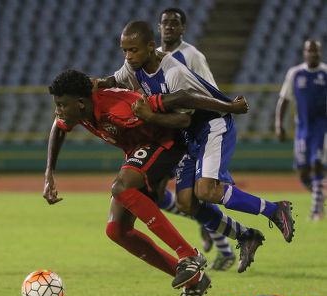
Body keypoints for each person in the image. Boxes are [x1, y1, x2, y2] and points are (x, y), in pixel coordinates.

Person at [96, 20, 296, 271]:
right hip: (190, 135)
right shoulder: (133, 66)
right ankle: (246, 236)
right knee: (186, 203)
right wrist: (99, 83)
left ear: (150, 47)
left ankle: (275, 209)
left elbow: (186, 114)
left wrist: (229, 107)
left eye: (133, 50)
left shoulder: (173, 71)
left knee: (206, 191)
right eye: (124, 50)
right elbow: (116, 78)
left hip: (211, 125)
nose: (128, 55)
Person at [44, 69, 249, 296]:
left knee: (121, 186)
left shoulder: (121, 108)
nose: (58, 111)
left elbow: (181, 114)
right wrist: (49, 173)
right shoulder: (80, 107)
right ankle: (194, 280)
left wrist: (228, 106)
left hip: (169, 144)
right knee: (117, 230)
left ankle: (189, 255)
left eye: (61, 105)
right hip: (140, 152)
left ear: (79, 103)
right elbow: (59, 128)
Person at [155, 7, 235, 269]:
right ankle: (205, 220)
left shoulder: (192, 56)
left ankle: (223, 249)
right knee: (157, 194)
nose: (169, 27)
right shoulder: (154, 57)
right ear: (158, 27)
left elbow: (209, 92)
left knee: (196, 195)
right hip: (168, 133)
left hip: (192, 133)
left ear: (183, 28)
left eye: (174, 23)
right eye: (165, 22)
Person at [275, 39, 327, 221]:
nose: (313, 54)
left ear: (321, 53)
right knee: (303, 172)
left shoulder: (325, 73)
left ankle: (316, 211)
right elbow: (284, 100)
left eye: (316, 51)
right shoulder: (295, 73)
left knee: (317, 164)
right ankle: (320, 195)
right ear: (304, 52)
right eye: (310, 51)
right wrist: (279, 125)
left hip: (322, 128)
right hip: (302, 129)